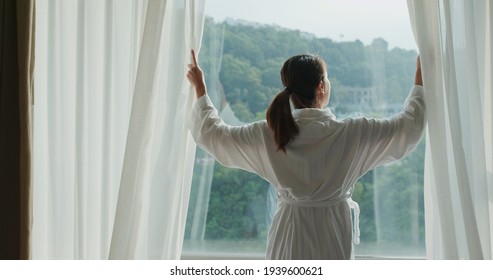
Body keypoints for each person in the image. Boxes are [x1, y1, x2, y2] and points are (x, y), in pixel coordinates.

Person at [187, 49, 425, 260]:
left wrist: (200, 89)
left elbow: (214, 136)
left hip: (288, 237)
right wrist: (419, 83)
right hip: (332, 237)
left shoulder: (268, 134)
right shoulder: (351, 134)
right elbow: (406, 128)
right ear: (321, 86)